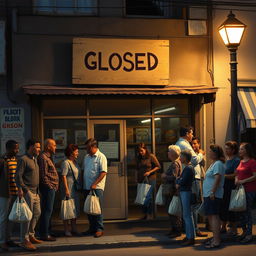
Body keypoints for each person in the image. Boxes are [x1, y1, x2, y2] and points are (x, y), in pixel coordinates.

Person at [176, 127, 207, 237]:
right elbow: (194, 160)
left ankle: (191, 231)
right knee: (194, 205)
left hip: (193, 178)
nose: (192, 135)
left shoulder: (182, 143)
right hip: (194, 179)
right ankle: (194, 230)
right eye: (191, 133)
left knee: (190, 207)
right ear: (187, 133)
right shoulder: (184, 144)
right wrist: (201, 154)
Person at [16, 139, 41, 251]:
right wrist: (23, 189)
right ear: (31, 147)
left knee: (37, 213)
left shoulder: (34, 159)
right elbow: (18, 176)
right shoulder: (23, 159)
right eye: (37, 147)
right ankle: (24, 240)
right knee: (27, 217)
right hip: (28, 192)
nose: (39, 149)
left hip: (36, 192)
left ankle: (31, 234)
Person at [82, 138, 107, 238]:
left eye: (88, 148)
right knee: (89, 209)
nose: (86, 150)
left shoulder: (101, 157)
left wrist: (95, 184)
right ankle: (92, 228)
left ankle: (99, 229)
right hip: (86, 187)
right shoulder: (86, 157)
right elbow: (84, 170)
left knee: (97, 209)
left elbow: (103, 172)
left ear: (93, 147)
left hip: (96, 188)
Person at [203, 144, 225, 249]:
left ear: (216, 153)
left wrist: (212, 192)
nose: (209, 153)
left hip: (213, 194)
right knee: (211, 216)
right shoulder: (213, 164)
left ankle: (216, 241)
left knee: (214, 216)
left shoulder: (218, 164)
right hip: (209, 194)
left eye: (211, 151)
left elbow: (217, 178)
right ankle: (215, 238)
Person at [37, 139, 59, 242]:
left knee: (49, 211)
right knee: (47, 210)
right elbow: (43, 175)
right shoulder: (43, 157)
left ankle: (48, 231)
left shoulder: (48, 157)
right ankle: (44, 234)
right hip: (47, 189)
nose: (56, 147)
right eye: (54, 145)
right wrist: (50, 186)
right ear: (48, 147)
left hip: (51, 188)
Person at [0, 140, 19, 251]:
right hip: (4, 193)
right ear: (8, 149)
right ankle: (2, 241)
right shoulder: (2, 160)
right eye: (15, 148)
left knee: (11, 218)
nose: (17, 150)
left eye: (17, 148)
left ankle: (8, 238)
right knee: (3, 218)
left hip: (15, 192)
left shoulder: (16, 160)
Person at [235, 142, 256, 244]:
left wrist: (243, 181)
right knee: (241, 212)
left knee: (247, 212)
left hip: (249, 190)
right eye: (239, 149)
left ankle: (249, 234)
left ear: (247, 150)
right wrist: (236, 179)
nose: (239, 151)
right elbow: (237, 173)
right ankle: (244, 232)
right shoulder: (241, 161)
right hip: (240, 190)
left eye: (241, 149)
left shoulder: (252, 162)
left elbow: (255, 176)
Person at [161, 145, 182, 238]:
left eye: (169, 151)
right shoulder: (176, 162)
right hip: (172, 190)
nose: (168, 153)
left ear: (173, 153)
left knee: (172, 211)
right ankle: (174, 229)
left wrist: (165, 176)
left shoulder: (175, 164)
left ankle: (176, 230)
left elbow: (174, 177)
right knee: (172, 210)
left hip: (172, 190)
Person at [60, 144, 81, 237]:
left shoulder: (75, 162)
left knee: (74, 209)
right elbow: (63, 176)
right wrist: (66, 190)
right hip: (68, 188)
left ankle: (74, 228)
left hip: (75, 189)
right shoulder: (66, 162)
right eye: (76, 151)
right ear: (71, 152)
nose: (78, 153)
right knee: (67, 209)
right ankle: (66, 230)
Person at [136, 142, 161, 220]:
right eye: (139, 151)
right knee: (142, 198)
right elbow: (137, 168)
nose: (140, 153)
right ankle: (145, 214)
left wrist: (149, 172)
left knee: (148, 197)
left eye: (142, 151)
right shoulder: (139, 158)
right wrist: (136, 178)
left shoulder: (151, 156)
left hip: (150, 179)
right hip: (142, 179)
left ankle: (150, 214)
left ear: (146, 149)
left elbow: (158, 166)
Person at [220, 141, 240, 235]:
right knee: (224, 206)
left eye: (228, 148)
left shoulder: (236, 160)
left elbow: (236, 174)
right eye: (225, 148)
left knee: (231, 207)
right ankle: (223, 226)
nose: (226, 150)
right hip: (224, 186)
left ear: (233, 150)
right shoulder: (226, 160)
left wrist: (223, 176)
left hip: (231, 186)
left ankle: (233, 228)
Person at [176, 150, 196, 246]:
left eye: (181, 156)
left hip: (186, 192)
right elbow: (180, 179)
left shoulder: (188, 168)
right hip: (185, 192)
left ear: (185, 157)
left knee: (187, 215)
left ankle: (191, 237)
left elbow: (182, 180)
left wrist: (178, 182)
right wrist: (179, 180)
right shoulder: (188, 167)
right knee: (187, 215)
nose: (180, 158)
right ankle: (189, 236)